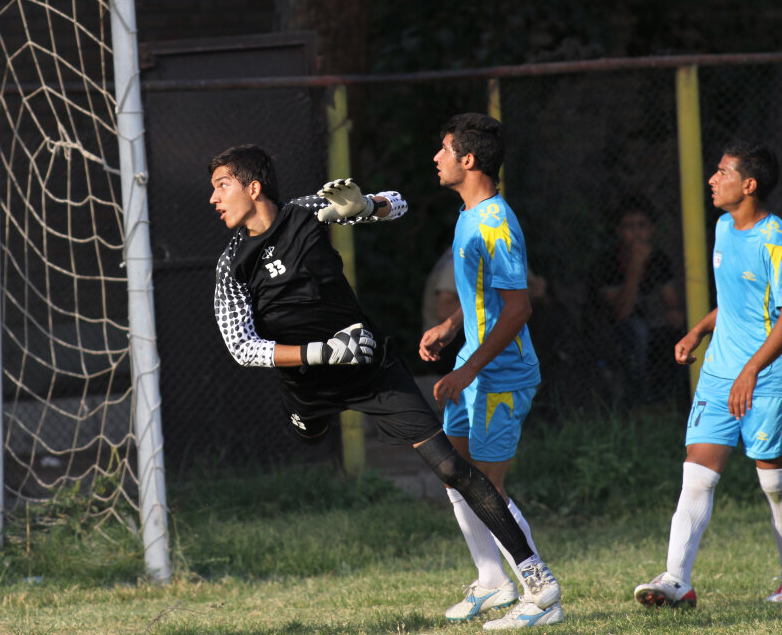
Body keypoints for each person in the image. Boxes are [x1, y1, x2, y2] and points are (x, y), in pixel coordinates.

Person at [208, 144, 560, 630]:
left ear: (253, 187)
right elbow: (242, 347)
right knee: (310, 435)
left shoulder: (306, 212)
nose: (213, 198)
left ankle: (536, 579)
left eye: (221, 185)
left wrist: (369, 205)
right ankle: (493, 580)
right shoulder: (231, 264)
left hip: (368, 366)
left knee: (452, 467)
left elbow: (398, 202)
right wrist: (320, 353)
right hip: (309, 385)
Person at [634, 140, 782, 608]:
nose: (712, 179)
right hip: (718, 375)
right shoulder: (723, 227)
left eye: (723, 172)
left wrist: (752, 370)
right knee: (696, 474)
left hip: (768, 379)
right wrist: (698, 331)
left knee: (774, 482)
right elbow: (735, 303)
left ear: (748, 184)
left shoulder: (775, 238)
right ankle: (676, 580)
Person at [419, 113, 561, 628]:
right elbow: (485, 294)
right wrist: (451, 326)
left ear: (469, 159)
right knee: (455, 477)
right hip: (474, 366)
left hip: (502, 375)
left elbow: (518, 308)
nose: (436, 157)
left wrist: (468, 370)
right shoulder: (469, 214)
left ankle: (542, 597)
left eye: (444, 149)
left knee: (486, 488)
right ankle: (492, 581)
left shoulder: (496, 223)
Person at [589, 195, 684, 408]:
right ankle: (639, 399)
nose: (637, 233)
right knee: (637, 331)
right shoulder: (608, 261)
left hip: (653, 322)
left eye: (642, 226)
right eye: (629, 227)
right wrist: (635, 267)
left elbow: (671, 302)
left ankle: (672, 398)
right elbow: (621, 312)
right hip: (615, 328)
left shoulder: (658, 258)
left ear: (651, 229)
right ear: (618, 231)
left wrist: (672, 313)